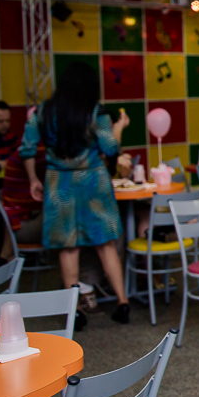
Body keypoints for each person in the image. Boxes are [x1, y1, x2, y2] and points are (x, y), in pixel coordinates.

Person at [19, 61, 132, 326]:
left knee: (68, 248)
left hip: (60, 185)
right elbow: (110, 148)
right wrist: (119, 128)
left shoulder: (43, 111)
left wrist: (33, 179)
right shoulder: (96, 112)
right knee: (106, 245)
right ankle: (123, 302)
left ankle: (75, 311)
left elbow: (27, 148)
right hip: (94, 182)